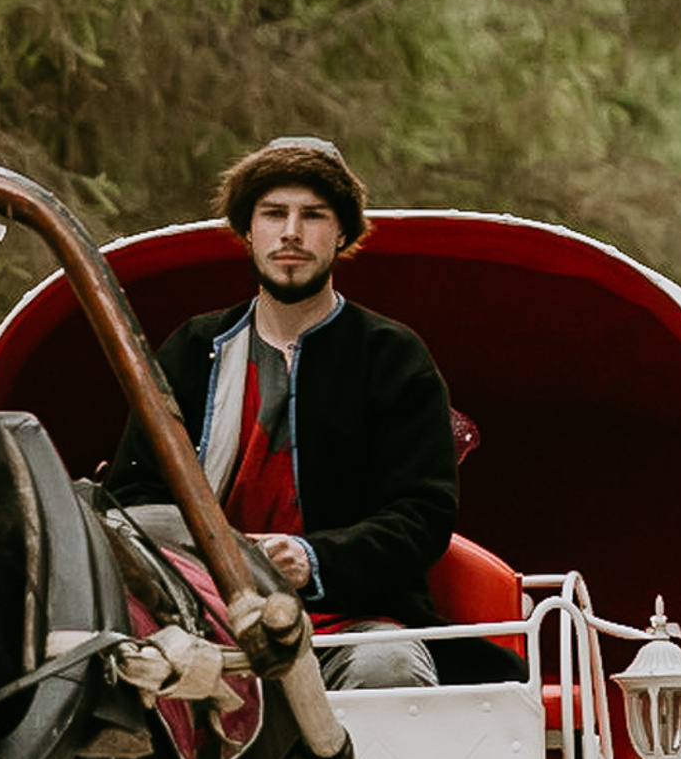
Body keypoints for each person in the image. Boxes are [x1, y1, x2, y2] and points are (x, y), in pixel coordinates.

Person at [106, 135, 458, 689]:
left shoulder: (392, 356)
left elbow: (422, 515)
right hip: (202, 622)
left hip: (351, 622)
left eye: (313, 215)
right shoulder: (192, 350)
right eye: (273, 214)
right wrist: (216, 563)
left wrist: (308, 558)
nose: (291, 232)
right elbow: (132, 500)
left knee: (389, 670)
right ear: (248, 231)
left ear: (341, 234)